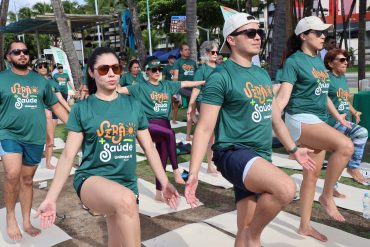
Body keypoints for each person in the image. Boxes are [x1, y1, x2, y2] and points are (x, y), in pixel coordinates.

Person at [185, 13, 315, 247]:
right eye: (250, 33)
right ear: (231, 40)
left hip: (259, 156)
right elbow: (204, 128)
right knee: (285, 189)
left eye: (260, 33)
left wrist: (294, 149)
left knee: (244, 227)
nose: (258, 37)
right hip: (233, 152)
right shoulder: (221, 76)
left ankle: (249, 237)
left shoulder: (261, 74)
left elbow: (275, 118)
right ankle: (253, 237)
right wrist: (194, 172)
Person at [36, 47, 179, 246]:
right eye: (104, 69)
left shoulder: (133, 105)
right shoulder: (82, 108)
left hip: (126, 182)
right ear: (92, 72)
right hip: (92, 179)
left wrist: (164, 182)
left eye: (116, 68)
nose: (111, 73)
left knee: (117, 239)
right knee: (126, 202)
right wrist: (51, 198)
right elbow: (68, 155)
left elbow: (149, 148)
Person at [275, 16, 354, 242]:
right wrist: (275, 112)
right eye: (317, 33)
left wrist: (338, 115)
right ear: (303, 36)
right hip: (300, 118)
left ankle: (304, 226)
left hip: (317, 119)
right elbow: (283, 96)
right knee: (345, 145)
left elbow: (323, 93)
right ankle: (327, 196)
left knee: (311, 176)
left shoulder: (318, 60)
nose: (323, 37)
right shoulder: (293, 62)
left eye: (323, 33)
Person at [0, 40, 69, 241]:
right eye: (16, 52)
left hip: (34, 137)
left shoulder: (41, 81)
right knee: (13, 174)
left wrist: (75, 129)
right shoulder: (2, 79)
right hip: (9, 133)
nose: (22, 54)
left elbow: (56, 106)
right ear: (8, 57)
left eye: (25, 51)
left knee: (28, 180)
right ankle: (11, 217)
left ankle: (27, 221)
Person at [117, 58, 205, 201]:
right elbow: (119, 90)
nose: (157, 72)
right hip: (149, 125)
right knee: (170, 134)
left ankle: (159, 192)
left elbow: (186, 83)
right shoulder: (140, 86)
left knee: (162, 158)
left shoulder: (167, 85)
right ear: (147, 71)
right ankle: (176, 171)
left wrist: (203, 82)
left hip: (164, 124)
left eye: (159, 69)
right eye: (154, 70)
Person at [324, 48, 369, 189]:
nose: (346, 63)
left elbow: (344, 99)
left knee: (342, 149)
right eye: (342, 60)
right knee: (361, 133)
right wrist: (336, 116)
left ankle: (333, 185)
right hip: (332, 121)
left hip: (343, 120)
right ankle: (353, 167)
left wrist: (355, 112)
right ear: (331, 63)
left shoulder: (342, 78)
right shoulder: (326, 78)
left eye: (346, 59)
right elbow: (322, 99)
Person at [187, 40, 219, 174]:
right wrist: (190, 108)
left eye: (217, 52)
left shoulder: (220, 68)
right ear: (206, 53)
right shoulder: (202, 69)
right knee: (211, 136)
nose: (216, 54)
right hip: (205, 102)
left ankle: (215, 162)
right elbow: (196, 89)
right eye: (213, 52)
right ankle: (210, 165)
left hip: (218, 103)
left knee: (217, 136)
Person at [34, 58, 71, 170]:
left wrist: (71, 110)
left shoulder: (52, 82)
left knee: (50, 139)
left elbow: (61, 99)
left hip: (50, 113)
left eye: (45, 65)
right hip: (36, 114)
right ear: (36, 69)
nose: (43, 68)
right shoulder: (32, 82)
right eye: (40, 66)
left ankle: (48, 162)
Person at [173, 43, 197, 140]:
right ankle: (196, 121)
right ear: (181, 51)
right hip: (182, 88)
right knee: (193, 109)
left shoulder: (193, 62)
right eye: (186, 49)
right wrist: (174, 91)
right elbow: (175, 77)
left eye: (188, 49)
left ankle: (188, 135)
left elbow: (197, 75)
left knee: (191, 111)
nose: (188, 51)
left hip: (193, 88)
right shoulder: (177, 62)